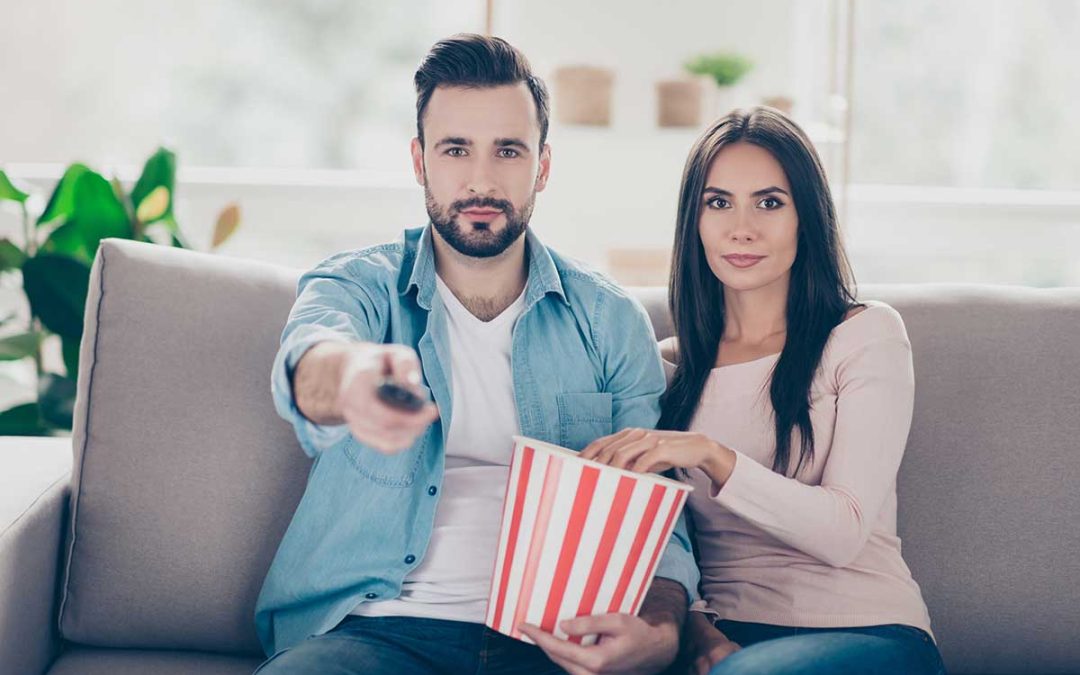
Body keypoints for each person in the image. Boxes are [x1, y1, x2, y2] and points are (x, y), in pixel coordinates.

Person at [253, 33, 698, 675]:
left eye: (508, 151)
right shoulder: (359, 285)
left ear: (542, 165)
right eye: (455, 149)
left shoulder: (609, 319)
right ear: (420, 161)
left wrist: (662, 626)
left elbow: (657, 510)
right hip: (373, 636)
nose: (482, 179)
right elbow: (310, 358)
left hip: (556, 642)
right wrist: (352, 381)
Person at [580, 107, 947, 675]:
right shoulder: (669, 367)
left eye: (770, 203)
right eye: (718, 202)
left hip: (865, 632)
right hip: (725, 644)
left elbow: (843, 532)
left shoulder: (865, 334)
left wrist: (711, 454)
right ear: (694, 220)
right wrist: (697, 634)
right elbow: (672, 550)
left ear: (808, 216)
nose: (741, 227)